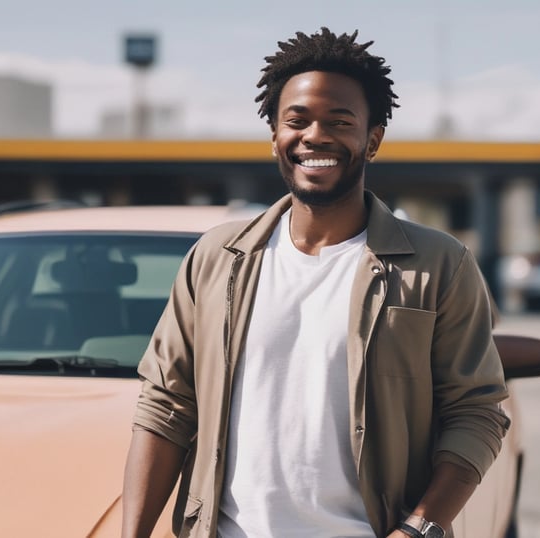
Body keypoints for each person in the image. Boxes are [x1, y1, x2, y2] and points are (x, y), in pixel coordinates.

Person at [122, 27, 510, 538]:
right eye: (297, 120)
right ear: (275, 137)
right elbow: (166, 406)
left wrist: (418, 529)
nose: (315, 136)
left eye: (339, 121)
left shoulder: (439, 264)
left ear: (372, 140)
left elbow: (476, 412)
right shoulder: (216, 259)